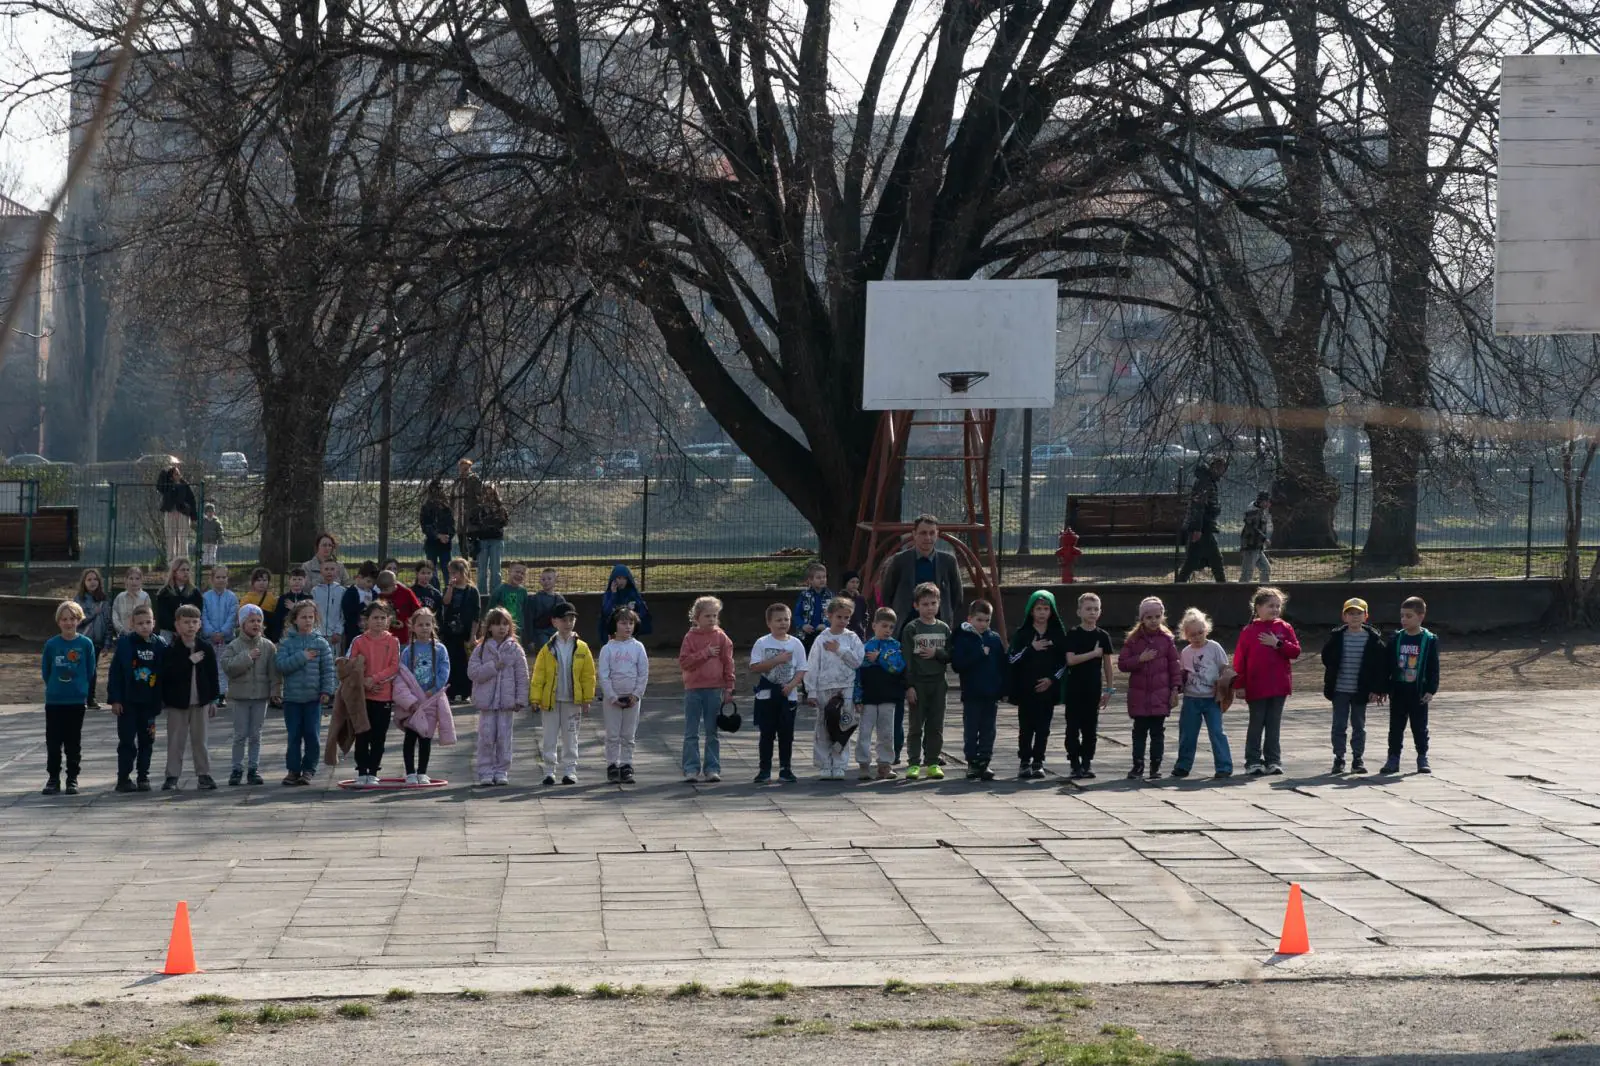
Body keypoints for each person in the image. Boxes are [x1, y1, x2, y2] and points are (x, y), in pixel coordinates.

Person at [1231, 585, 1301, 776]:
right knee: (1256, 723)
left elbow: (1295, 651)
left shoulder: (1285, 628)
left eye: (1278, 606)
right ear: (1258, 608)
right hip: (1256, 686)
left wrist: (1278, 644)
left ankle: (1273, 760)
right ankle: (1253, 761)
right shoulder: (1249, 631)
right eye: (1270, 605)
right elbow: (1240, 660)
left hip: (1279, 685)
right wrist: (1240, 684)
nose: (1275, 610)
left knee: (1273, 725)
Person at [1006, 589, 1068, 781]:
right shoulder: (1023, 633)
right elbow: (1012, 658)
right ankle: (1024, 761)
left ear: (1052, 611)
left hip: (1047, 689)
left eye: (1046, 609)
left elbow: (1064, 662)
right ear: (1031, 611)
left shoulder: (1057, 633)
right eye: (1038, 608)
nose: (1042, 612)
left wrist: (1051, 679)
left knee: (1043, 727)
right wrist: (1031, 649)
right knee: (1026, 727)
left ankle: (1038, 761)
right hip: (1026, 689)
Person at [1117, 596, 1182, 781]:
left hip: (1160, 695)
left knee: (1157, 733)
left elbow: (1174, 665)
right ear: (1142, 619)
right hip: (1140, 695)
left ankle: (1155, 766)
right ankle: (1137, 765)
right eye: (1149, 617)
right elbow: (1122, 664)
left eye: (1157, 616)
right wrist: (1139, 659)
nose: (1153, 621)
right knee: (1139, 732)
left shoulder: (1167, 640)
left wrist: (1175, 688)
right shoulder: (1134, 640)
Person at [1322, 597, 1388, 775]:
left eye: (1359, 613)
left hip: (1361, 691)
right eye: (1350, 613)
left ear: (1366, 616)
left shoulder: (1373, 640)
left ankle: (1357, 758)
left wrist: (1377, 689)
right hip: (1340, 690)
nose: (1355, 617)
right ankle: (1339, 758)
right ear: (1344, 617)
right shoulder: (1336, 638)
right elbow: (1326, 658)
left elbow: (1379, 668)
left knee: (1359, 726)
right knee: (1339, 725)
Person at [159, 603, 219, 791]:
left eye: (194, 622)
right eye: (186, 622)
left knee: (200, 739)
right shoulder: (171, 649)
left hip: (200, 702)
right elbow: (167, 674)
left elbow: (212, 675)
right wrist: (188, 662)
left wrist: (213, 699)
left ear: (200, 624)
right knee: (176, 740)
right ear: (177, 625)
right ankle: (172, 776)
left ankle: (204, 774)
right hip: (178, 703)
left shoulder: (205, 648)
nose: (190, 626)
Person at [530, 604, 590, 786]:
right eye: (564, 620)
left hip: (572, 700)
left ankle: (570, 770)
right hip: (551, 701)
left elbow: (588, 675)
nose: (568, 623)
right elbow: (538, 675)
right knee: (549, 736)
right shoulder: (547, 649)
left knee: (571, 736)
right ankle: (549, 771)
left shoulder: (582, 648)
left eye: (571, 619)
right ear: (554, 622)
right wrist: (535, 698)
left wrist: (587, 698)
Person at [274, 600, 334, 785]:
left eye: (311, 617)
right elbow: (281, 666)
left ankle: (309, 769)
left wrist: (327, 691)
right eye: (303, 617)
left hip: (313, 699)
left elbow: (328, 670)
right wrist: (303, 656)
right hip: (292, 699)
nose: (308, 621)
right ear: (295, 619)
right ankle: (293, 770)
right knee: (294, 736)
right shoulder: (286, 643)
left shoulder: (321, 643)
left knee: (312, 735)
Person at [678, 595, 736, 783]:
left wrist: (729, 687)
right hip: (693, 689)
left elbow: (729, 663)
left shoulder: (721, 637)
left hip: (714, 689)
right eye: (707, 616)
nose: (711, 620)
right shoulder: (690, 637)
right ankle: (690, 768)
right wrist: (705, 653)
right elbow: (685, 662)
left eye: (714, 616)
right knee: (691, 731)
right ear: (696, 618)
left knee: (712, 730)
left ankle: (712, 767)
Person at [1172, 608, 1235, 779]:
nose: (1197, 637)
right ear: (1186, 635)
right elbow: (1183, 673)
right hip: (1192, 698)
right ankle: (1183, 765)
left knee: (1216, 732)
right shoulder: (1185, 652)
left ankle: (1224, 765)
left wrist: (1225, 684)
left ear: (1206, 629)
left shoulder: (1214, 647)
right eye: (1192, 635)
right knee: (1187, 733)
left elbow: (1224, 668)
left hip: (1211, 698)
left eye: (1200, 632)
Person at [806, 597, 864, 781]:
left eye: (847, 617)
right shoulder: (821, 639)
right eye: (839, 616)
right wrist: (811, 691)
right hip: (825, 687)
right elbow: (813, 665)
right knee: (823, 726)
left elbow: (858, 662)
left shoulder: (852, 638)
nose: (843, 621)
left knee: (843, 724)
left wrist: (839, 650)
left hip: (846, 687)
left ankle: (839, 764)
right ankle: (824, 763)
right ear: (829, 615)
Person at [108, 602, 164, 792]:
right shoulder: (125, 643)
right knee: (126, 741)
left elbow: (167, 672)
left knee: (147, 741)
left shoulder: (160, 644)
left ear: (154, 623)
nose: (145, 627)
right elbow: (115, 672)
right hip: (128, 703)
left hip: (149, 704)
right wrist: (115, 699)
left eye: (148, 622)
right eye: (140, 623)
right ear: (132, 624)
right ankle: (123, 778)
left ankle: (143, 776)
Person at [41, 600, 96, 795]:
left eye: (72, 619)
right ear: (58, 622)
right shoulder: (52, 644)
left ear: (79, 620)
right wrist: (55, 687)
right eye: (64, 619)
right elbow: (46, 671)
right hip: (55, 701)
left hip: (76, 701)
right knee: (53, 741)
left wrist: (80, 688)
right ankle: (53, 778)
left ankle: (72, 778)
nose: (68, 623)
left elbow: (90, 671)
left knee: (73, 741)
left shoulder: (85, 644)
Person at [395, 607, 455, 785]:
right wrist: (410, 697)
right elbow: (403, 674)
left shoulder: (440, 649)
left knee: (426, 736)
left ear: (433, 626)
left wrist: (435, 688)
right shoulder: (408, 651)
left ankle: (422, 771)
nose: (424, 628)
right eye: (420, 625)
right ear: (412, 627)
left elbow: (444, 671)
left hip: (431, 699)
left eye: (428, 624)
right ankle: (410, 772)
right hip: (413, 701)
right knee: (410, 736)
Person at [1060, 591, 1115, 781]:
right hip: (1075, 689)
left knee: (1090, 729)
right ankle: (1074, 763)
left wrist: (1109, 689)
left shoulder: (1103, 636)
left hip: (1093, 688)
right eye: (1088, 609)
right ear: (1079, 611)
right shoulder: (1074, 634)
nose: (1092, 612)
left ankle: (1087, 762)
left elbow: (1107, 664)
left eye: (1095, 609)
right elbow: (1071, 660)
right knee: (1072, 728)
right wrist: (1093, 654)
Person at [901, 582, 953, 781]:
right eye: (925, 604)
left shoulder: (944, 628)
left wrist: (936, 653)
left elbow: (950, 655)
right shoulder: (911, 629)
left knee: (936, 725)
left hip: (938, 683)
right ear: (916, 606)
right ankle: (913, 762)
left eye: (933, 603)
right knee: (916, 725)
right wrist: (909, 686)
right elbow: (907, 659)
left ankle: (932, 761)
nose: (929, 608)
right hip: (919, 684)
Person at [1382, 596, 1439, 775]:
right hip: (1399, 690)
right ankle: (1393, 758)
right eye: (1402, 616)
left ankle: (1422, 757)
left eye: (1409, 616)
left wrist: (1431, 689)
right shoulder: (1396, 638)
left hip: (1418, 691)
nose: (1404, 620)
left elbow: (1433, 667)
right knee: (1396, 727)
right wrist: (1384, 687)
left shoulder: (1429, 640)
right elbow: (1387, 665)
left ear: (1421, 616)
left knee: (1419, 726)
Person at [222, 603, 278, 786]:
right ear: (242, 624)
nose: (256, 624)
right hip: (240, 697)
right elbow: (228, 667)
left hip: (260, 697)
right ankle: (236, 769)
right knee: (239, 735)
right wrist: (247, 657)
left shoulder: (268, 646)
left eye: (259, 621)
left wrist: (276, 691)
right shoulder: (234, 645)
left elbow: (274, 672)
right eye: (251, 621)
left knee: (256, 734)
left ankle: (253, 769)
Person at [952, 598, 1008, 783]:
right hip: (972, 693)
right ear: (970, 619)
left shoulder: (994, 639)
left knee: (988, 729)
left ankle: (984, 761)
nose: (983, 624)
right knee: (971, 729)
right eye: (979, 620)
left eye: (986, 620)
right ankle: (972, 762)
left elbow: (1002, 664)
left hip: (991, 693)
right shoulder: (963, 638)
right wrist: (978, 654)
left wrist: (1004, 688)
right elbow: (958, 664)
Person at [750, 603, 807, 784]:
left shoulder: (796, 643)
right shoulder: (762, 643)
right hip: (767, 695)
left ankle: (785, 768)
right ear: (769, 623)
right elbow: (755, 666)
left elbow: (801, 669)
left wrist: (792, 686)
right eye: (778, 620)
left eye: (786, 619)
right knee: (767, 733)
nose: (783, 623)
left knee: (786, 734)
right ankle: (764, 769)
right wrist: (776, 660)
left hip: (787, 695)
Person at [348, 599, 401, 787]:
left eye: (383, 618)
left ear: (388, 620)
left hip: (383, 695)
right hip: (363, 696)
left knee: (379, 736)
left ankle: (373, 770)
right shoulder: (359, 641)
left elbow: (394, 667)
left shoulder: (393, 641)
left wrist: (375, 679)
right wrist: (364, 683)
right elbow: (351, 665)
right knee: (362, 733)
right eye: (375, 617)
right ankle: (361, 770)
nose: (379, 621)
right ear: (366, 620)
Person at [882, 515, 963, 630]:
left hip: (938, 629)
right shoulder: (900, 560)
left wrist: (946, 614)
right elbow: (887, 593)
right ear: (914, 534)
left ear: (937, 534)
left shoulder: (948, 561)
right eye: (923, 533)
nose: (928, 537)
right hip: (904, 627)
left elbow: (957, 597)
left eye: (932, 533)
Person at [598, 607, 649, 785]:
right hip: (613, 699)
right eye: (623, 623)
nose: (627, 627)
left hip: (632, 698)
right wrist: (612, 696)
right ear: (615, 625)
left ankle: (627, 765)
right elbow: (603, 675)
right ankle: (612, 765)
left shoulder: (638, 647)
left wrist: (636, 695)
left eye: (631, 623)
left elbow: (643, 673)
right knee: (613, 734)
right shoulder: (608, 649)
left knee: (628, 734)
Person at [853, 607, 905, 780]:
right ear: (874, 625)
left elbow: (897, 667)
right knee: (865, 732)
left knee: (886, 732)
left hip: (888, 697)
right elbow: (858, 673)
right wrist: (857, 696)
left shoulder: (896, 646)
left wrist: (881, 658)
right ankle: (863, 764)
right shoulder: (866, 646)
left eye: (891, 627)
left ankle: (885, 764)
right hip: (868, 697)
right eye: (884, 626)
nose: (887, 630)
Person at [1177, 456, 1228, 583]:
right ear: (1214, 468)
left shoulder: (1207, 481)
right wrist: (1197, 528)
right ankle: (1223, 586)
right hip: (1203, 527)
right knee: (1216, 559)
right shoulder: (1205, 482)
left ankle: (1178, 585)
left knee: (1192, 561)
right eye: (1220, 468)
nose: (1222, 472)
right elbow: (1198, 506)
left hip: (1203, 526)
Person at [440, 558, 481, 703]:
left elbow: (476, 615)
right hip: (450, 632)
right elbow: (445, 602)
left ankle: (465, 692)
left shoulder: (472, 591)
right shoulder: (450, 588)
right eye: (450, 573)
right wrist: (450, 587)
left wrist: (473, 635)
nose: (453, 576)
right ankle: (450, 692)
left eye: (455, 573)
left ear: (464, 572)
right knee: (451, 660)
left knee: (465, 662)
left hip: (465, 632)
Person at [201, 565, 239, 708]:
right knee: (210, 666)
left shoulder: (232, 597)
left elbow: (232, 616)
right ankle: (211, 694)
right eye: (218, 577)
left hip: (226, 638)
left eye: (224, 577)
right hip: (209, 639)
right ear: (212, 579)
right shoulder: (205, 597)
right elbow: (204, 616)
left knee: (222, 666)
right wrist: (211, 633)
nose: (221, 580)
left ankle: (222, 694)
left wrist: (223, 633)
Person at [467, 480, 509, 606]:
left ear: (494, 494)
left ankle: (495, 595)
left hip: (496, 540)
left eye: (491, 494)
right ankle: (482, 596)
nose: (488, 496)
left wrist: (491, 523)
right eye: (486, 494)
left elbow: (504, 522)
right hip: (483, 540)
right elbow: (472, 522)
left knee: (496, 569)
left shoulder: (500, 507)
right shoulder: (478, 508)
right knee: (482, 570)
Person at [74, 568, 111, 709]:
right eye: (89, 579)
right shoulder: (79, 599)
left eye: (95, 579)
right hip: (82, 640)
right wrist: (92, 614)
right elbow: (77, 620)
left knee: (93, 670)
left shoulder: (104, 599)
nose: (92, 582)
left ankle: (91, 698)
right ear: (84, 582)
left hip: (97, 641)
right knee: (80, 669)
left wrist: (107, 644)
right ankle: (79, 697)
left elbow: (108, 623)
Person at [156, 462, 197, 565]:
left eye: (179, 473)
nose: (178, 475)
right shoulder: (166, 485)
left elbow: (192, 500)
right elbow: (159, 486)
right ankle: (171, 561)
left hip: (183, 513)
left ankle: (183, 560)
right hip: (170, 513)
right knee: (170, 538)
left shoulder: (184, 485)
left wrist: (193, 516)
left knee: (183, 538)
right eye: (176, 474)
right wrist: (165, 471)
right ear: (171, 476)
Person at [599, 564, 651, 644]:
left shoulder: (632, 593)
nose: (622, 581)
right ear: (614, 579)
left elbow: (643, 612)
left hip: (630, 634)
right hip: (613, 634)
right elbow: (606, 612)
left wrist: (633, 610)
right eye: (619, 578)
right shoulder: (609, 593)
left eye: (624, 578)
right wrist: (613, 594)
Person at [154, 558, 203, 642]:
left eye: (188, 570)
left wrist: (185, 628)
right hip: (169, 631)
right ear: (175, 572)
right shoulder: (164, 592)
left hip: (189, 630)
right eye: (183, 570)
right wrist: (177, 628)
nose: (186, 572)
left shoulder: (195, 592)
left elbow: (198, 612)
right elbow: (162, 617)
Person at [524, 566, 569, 652]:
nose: (546, 581)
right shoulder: (534, 599)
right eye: (543, 579)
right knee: (546, 652)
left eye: (549, 578)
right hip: (540, 632)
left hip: (556, 631)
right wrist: (530, 639)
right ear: (540, 581)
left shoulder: (560, 599)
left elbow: (565, 618)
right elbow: (529, 620)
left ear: (555, 580)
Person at [420, 480, 455, 580]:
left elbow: (452, 526)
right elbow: (425, 527)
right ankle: (434, 593)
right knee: (431, 572)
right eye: (434, 490)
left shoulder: (447, 508)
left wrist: (448, 536)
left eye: (439, 490)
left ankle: (449, 591)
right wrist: (438, 536)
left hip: (445, 544)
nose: (437, 493)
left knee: (447, 571)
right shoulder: (426, 508)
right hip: (432, 544)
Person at [794, 562, 832, 651]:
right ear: (810, 580)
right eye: (818, 578)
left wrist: (826, 625)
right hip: (806, 634)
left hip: (824, 634)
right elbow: (797, 614)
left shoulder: (830, 596)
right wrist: (803, 625)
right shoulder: (804, 595)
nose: (822, 580)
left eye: (824, 577)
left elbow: (834, 615)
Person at [341, 561, 379, 650]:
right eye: (368, 581)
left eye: (373, 583)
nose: (370, 585)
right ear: (359, 578)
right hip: (353, 632)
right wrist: (363, 605)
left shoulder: (374, 594)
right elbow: (347, 611)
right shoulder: (351, 592)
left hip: (370, 632)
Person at [375, 569, 421, 642]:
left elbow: (418, 611)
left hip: (405, 637)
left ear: (394, 584)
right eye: (381, 589)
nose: (383, 592)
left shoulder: (406, 593)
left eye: (386, 589)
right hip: (387, 638)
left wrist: (406, 622)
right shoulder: (381, 596)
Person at [311, 560, 346, 654]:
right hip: (318, 634)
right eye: (326, 569)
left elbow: (343, 614)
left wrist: (338, 632)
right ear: (321, 571)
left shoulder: (342, 591)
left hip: (334, 635)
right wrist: (315, 631)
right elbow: (312, 612)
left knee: (333, 662)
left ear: (337, 571)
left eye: (332, 569)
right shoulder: (315, 591)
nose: (329, 572)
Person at [272, 567, 313, 645]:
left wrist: (295, 607)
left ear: (305, 581)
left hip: (304, 634)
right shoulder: (283, 598)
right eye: (294, 579)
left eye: (300, 579)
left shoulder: (308, 598)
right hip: (286, 635)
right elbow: (278, 618)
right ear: (289, 581)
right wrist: (276, 638)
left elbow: (311, 615)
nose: (297, 582)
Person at [1239, 492, 1273, 583]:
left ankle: (1264, 590)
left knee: (1266, 569)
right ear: (1262, 501)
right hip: (1250, 547)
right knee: (1247, 575)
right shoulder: (1253, 512)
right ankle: (1240, 593)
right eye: (1267, 502)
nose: (1269, 504)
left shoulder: (1260, 510)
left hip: (1257, 547)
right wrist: (1264, 538)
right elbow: (1253, 529)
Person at [111, 566, 151, 641]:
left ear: (141, 580)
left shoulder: (145, 597)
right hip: (123, 636)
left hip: (141, 636)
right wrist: (122, 630)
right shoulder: (120, 597)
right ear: (126, 580)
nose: (134, 582)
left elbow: (148, 617)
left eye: (137, 579)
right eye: (131, 578)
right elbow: (115, 617)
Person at [240, 567, 280, 641]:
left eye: (265, 580)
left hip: (269, 633)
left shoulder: (271, 598)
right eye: (258, 580)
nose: (262, 583)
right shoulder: (247, 599)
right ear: (253, 582)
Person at [491, 560, 530, 632]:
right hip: (502, 628)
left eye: (522, 573)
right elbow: (491, 609)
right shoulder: (499, 590)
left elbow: (525, 611)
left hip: (518, 629)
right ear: (509, 572)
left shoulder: (523, 592)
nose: (519, 575)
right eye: (517, 572)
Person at [841, 570, 870, 641]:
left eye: (857, 582)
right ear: (846, 582)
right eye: (852, 582)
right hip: (844, 631)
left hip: (859, 633)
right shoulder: (840, 598)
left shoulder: (861, 599)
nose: (855, 584)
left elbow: (865, 615)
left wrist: (863, 626)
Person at [200, 503, 225, 568]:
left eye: (211, 512)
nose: (210, 513)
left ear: (214, 512)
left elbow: (220, 531)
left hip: (213, 541)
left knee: (212, 554)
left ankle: (211, 565)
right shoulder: (203, 521)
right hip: (204, 541)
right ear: (205, 513)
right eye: (208, 512)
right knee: (205, 553)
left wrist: (220, 539)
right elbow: (198, 529)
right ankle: (204, 565)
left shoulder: (217, 522)